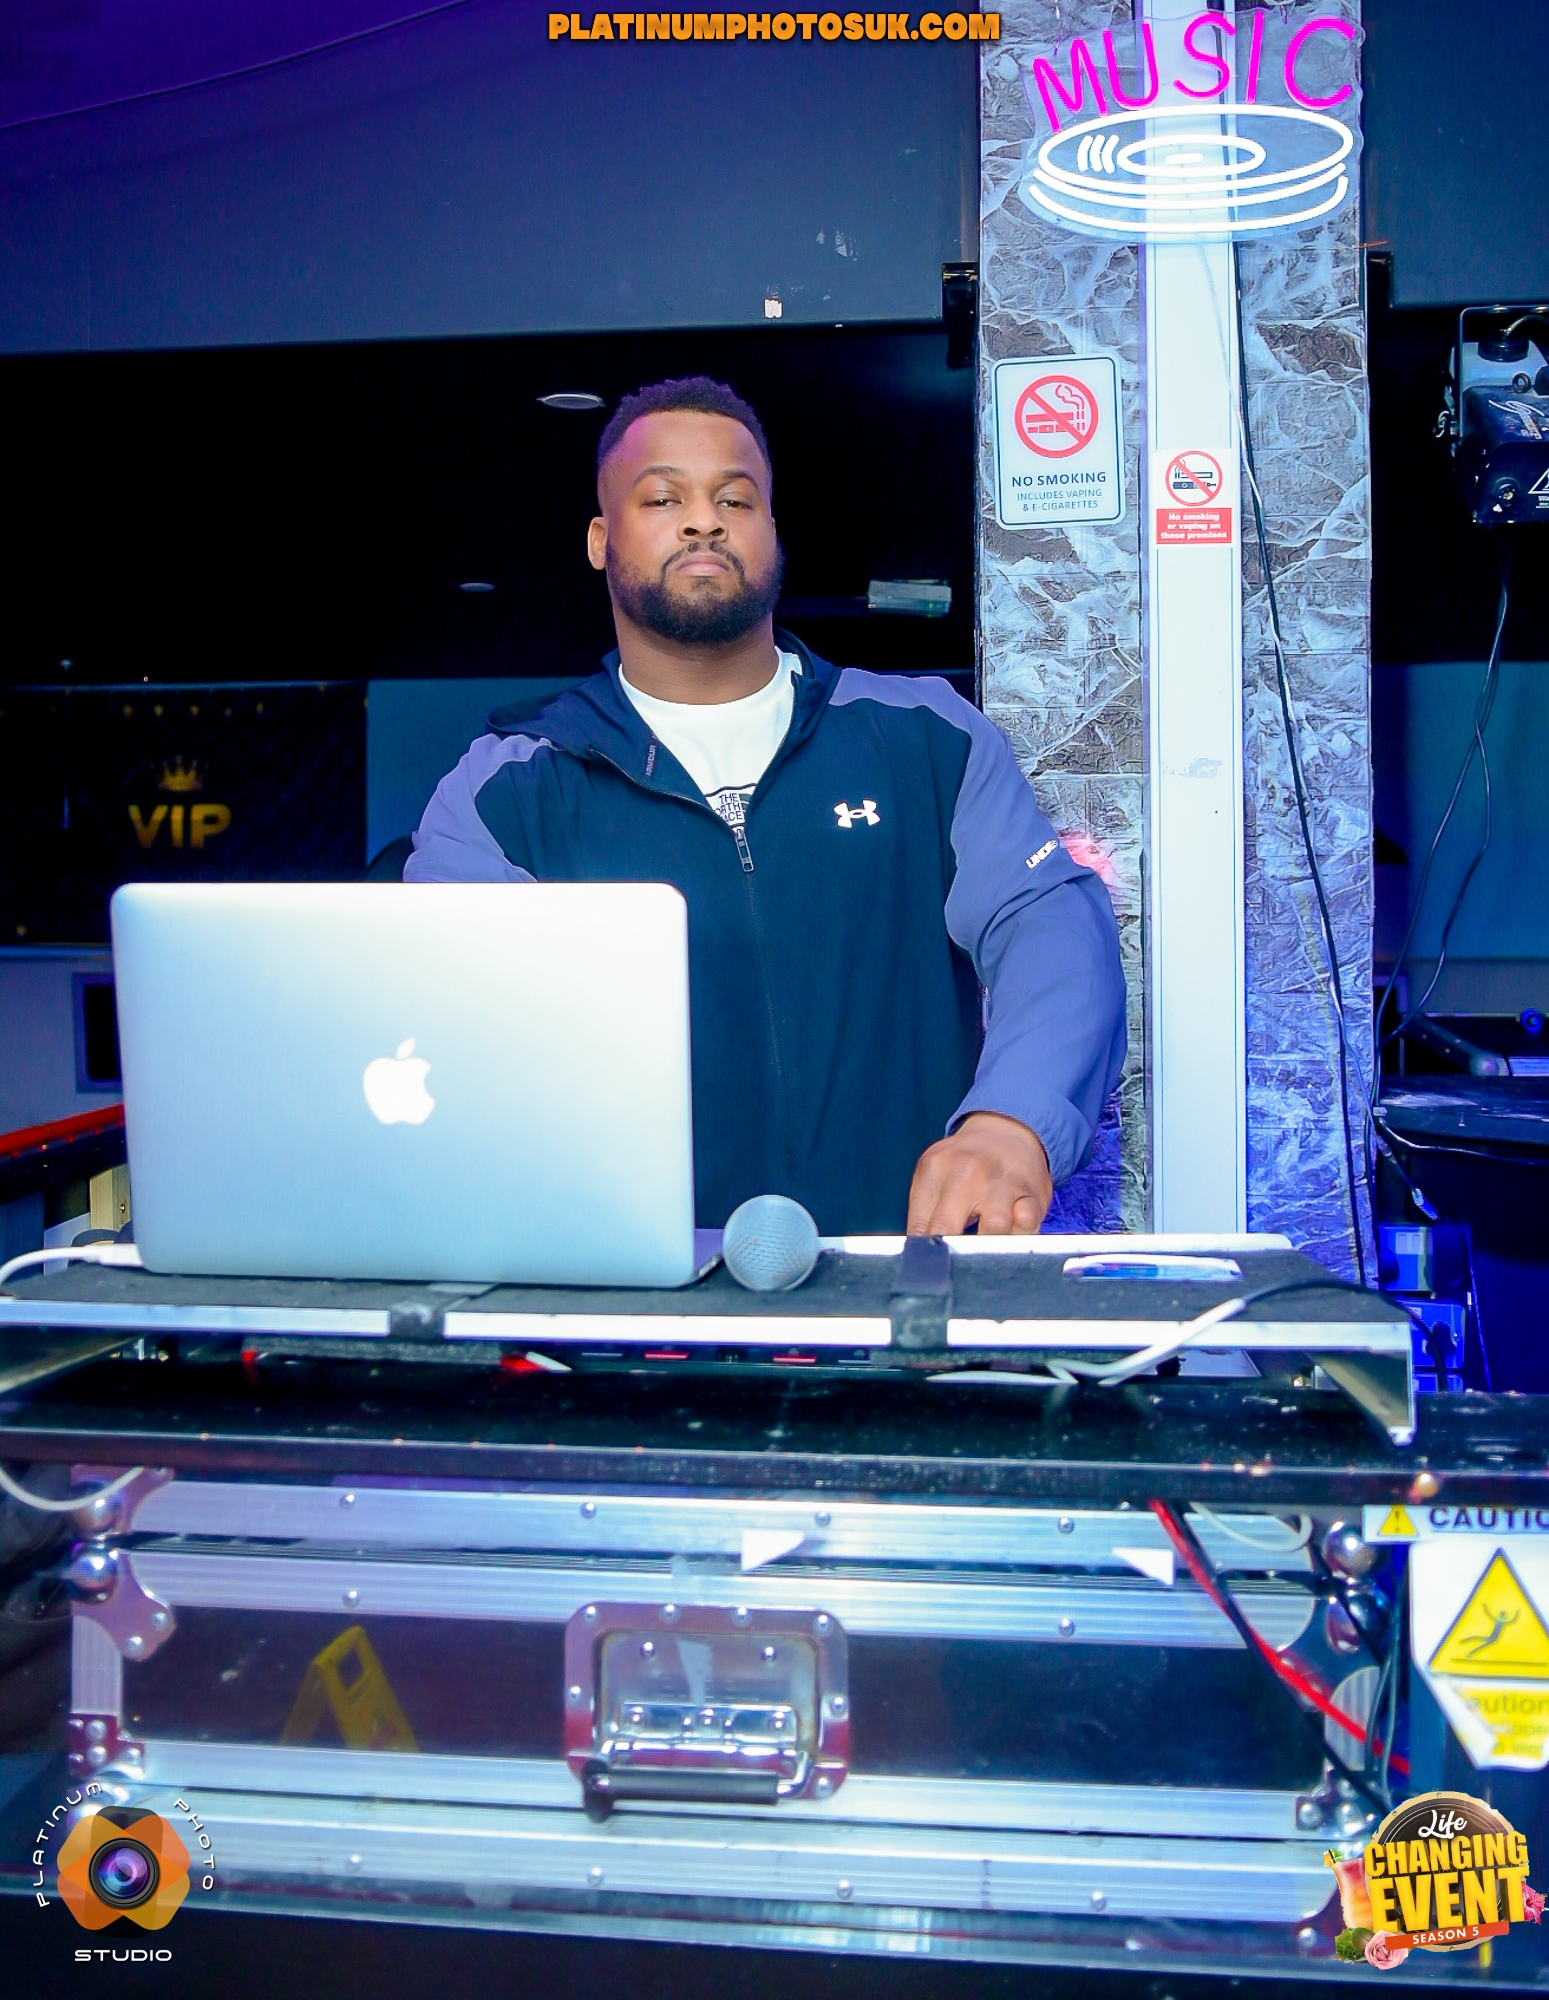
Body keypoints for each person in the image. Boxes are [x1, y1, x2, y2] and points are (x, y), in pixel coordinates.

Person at [407, 376, 1125, 1236]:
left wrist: (1013, 1120)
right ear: (601, 540)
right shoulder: (504, 793)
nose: (702, 522)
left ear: (772, 533)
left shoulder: (924, 737)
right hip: (631, 1292)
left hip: (912, 1281)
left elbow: (1046, 925)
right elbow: (452, 1026)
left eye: (735, 500)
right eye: (662, 497)